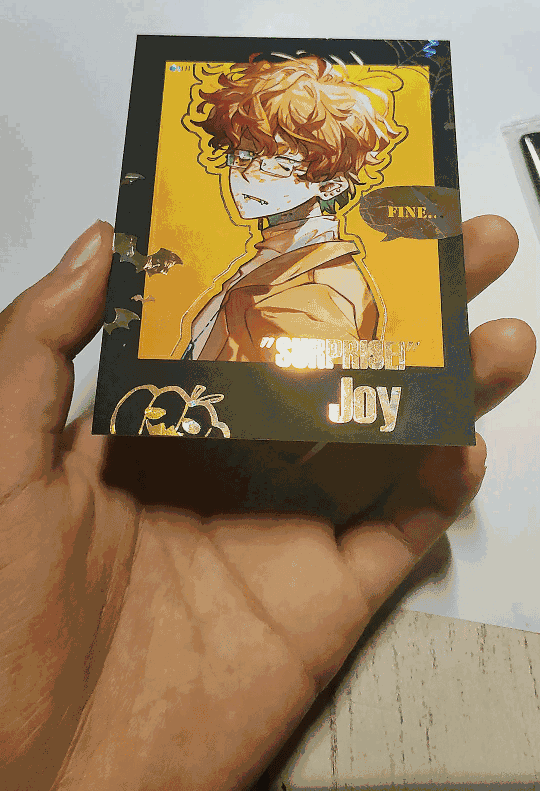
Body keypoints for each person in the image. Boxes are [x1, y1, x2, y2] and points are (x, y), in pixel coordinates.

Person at [0, 215, 535, 790]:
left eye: (279, 167)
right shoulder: (247, 256)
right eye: (244, 163)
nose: (246, 179)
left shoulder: (332, 278)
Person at [174, 55, 405, 362]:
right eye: (243, 155)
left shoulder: (311, 294)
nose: (249, 174)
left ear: (331, 186)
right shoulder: (278, 264)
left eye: (280, 164)